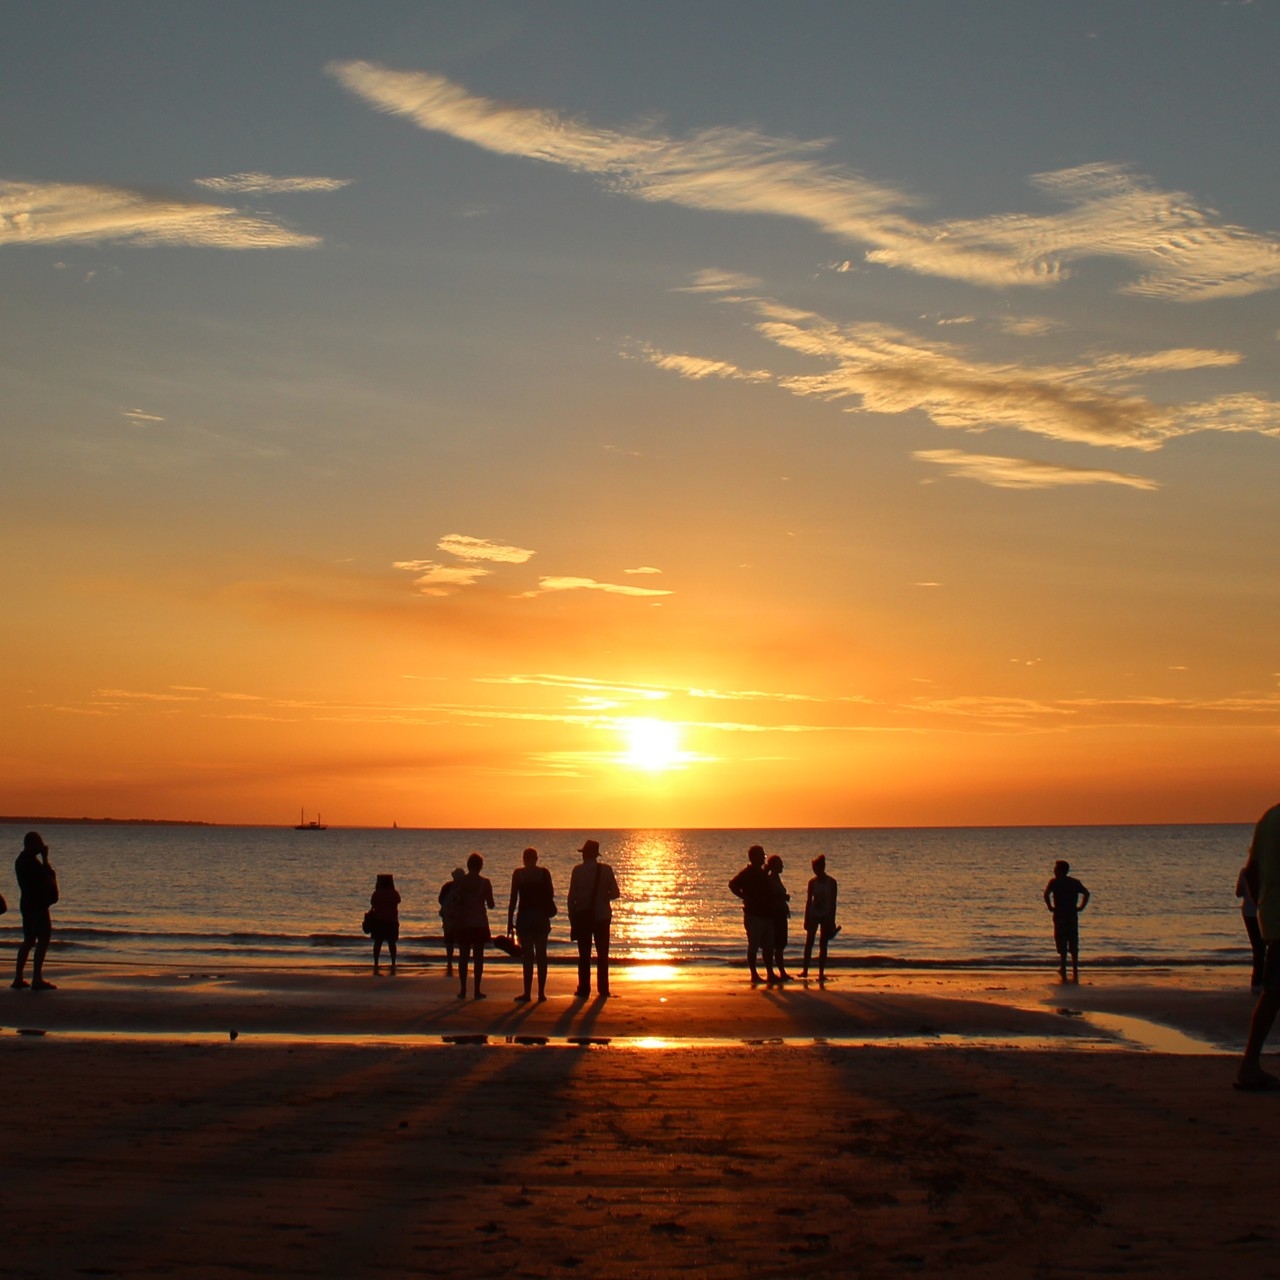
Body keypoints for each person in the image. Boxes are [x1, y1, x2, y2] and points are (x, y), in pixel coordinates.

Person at [1238, 804, 1280, 1089]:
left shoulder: (1269, 817)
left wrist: (1262, 907)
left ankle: (1250, 1065)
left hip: (1273, 914)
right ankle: (1249, 1067)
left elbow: (1251, 872)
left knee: (1273, 992)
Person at [567, 839, 620, 999]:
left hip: (583, 916)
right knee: (602, 955)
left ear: (585, 854)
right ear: (596, 855)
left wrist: (572, 919)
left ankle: (584, 989)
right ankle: (603, 989)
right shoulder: (606, 870)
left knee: (584, 955)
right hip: (602, 916)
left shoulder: (577, 871)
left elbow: (571, 898)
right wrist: (603, 897)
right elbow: (616, 893)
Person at [508, 847, 556, 1003]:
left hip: (525, 917)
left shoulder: (519, 874)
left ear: (523, 859)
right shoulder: (544, 873)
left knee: (528, 956)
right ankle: (541, 993)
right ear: (536, 859)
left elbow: (513, 898)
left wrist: (510, 920)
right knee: (542, 955)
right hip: (541, 916)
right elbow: (551, 894)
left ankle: (527, 993)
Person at [13, 831, 59, 991]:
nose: (41, 847)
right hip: (37, 905)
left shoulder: (21, 861)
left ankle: (18, 977)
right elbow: (47, 876)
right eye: (39, 844)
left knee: (29, 940)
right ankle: (36, 978)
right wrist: (45, 858)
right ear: (32, 845)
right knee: (43, 938)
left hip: (27, 904)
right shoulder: (31, 863)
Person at [729, 845, 776, 985]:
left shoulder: (762, 873)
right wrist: (743, 896)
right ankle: (754, 974)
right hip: (753, 914)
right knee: (754, 945)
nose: (764, 857)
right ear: (754, 857)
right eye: (761, 855)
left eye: (764, 855)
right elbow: (732, 884)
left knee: (769, 946)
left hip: (766, 913)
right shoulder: (747, 873)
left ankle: (770, 973)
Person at [453, 853, 494, 1000]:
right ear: (480, 866)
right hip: (480, 923)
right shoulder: (485, 883)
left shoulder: (461, 882)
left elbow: (456, 901)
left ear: (468, 865)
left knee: (463, 957)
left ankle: (463, 989)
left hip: (464, 923)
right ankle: (477, 990)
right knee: (478, 957)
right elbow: (491, 905)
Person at [1043, 859, 1090, 982]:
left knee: (1062, 940)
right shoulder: (1074, 882)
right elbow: (1086, 893)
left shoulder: (1054, 882)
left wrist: (1050, 906)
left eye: (1055, 869)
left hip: (1060, 915)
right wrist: (1081, 907)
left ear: (1060, 870)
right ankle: (1074, 967)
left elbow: (1046, 894)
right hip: (1072, 914)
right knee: (1073, 940)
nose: (1054, 871)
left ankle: (1064, 967)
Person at [800, 854, 840, 981]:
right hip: (813, 914)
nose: (815, 871)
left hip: (826, 915)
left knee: (823, 944)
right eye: (813, 869)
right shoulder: (812, 882)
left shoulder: (832, 882)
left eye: (816, 868)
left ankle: (821, 973)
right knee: (809, 943)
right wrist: (806, 918)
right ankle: (805, 970)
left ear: (822, 868)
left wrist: (832, 920)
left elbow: (833, 902)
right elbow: (808, 900)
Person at [1237, 862, 1266, 992]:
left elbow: (1238, 893)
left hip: (1248, 912)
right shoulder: (1267, 871)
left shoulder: (1244, 872)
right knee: (1263, 947)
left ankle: (1258, 980)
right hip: (1262, 912)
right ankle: (1260, 981)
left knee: (1258, 947)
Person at [764, 854, 793, 981]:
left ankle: (781, 971)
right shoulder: (770, 879)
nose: (782, 866)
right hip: (775, 915)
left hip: (780, 914)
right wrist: (783, 897)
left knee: (780, 945)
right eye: (780, 864)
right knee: (776, 944)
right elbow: (770, 897)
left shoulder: (775, 878)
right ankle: (775, 972)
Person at [368, 873, 401, 975]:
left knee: (378, 942)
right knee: (392, 943)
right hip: (391, 920)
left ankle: (376, 962)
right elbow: (398, 901)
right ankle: (393, 962)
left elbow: (372, 903)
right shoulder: (394, 893)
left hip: (379, 920)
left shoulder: (377, 893)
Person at [438, 867, 464, 976]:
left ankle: (449, 961)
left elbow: (440, 899)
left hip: (448, 917)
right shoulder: (464, 887)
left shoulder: (447, 886)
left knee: (449, 941)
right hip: (460, 917)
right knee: (461, 941)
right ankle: (462, 961)